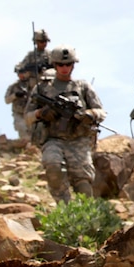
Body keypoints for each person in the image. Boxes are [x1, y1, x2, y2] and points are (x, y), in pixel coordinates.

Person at [26, 45, 105, 203]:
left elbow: (101, 111)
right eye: (60, 65)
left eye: (68, 64)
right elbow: (27, 116)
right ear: (54, 65)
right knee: (53, 166)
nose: (64, 68)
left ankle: (85, 215)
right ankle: (65, 209)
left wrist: (89, 114)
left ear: (73, 65)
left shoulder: (83, 87)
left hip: (79, 141)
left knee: (83, 181)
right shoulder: (42, 89)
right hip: (53, 139)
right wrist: (41, 113)